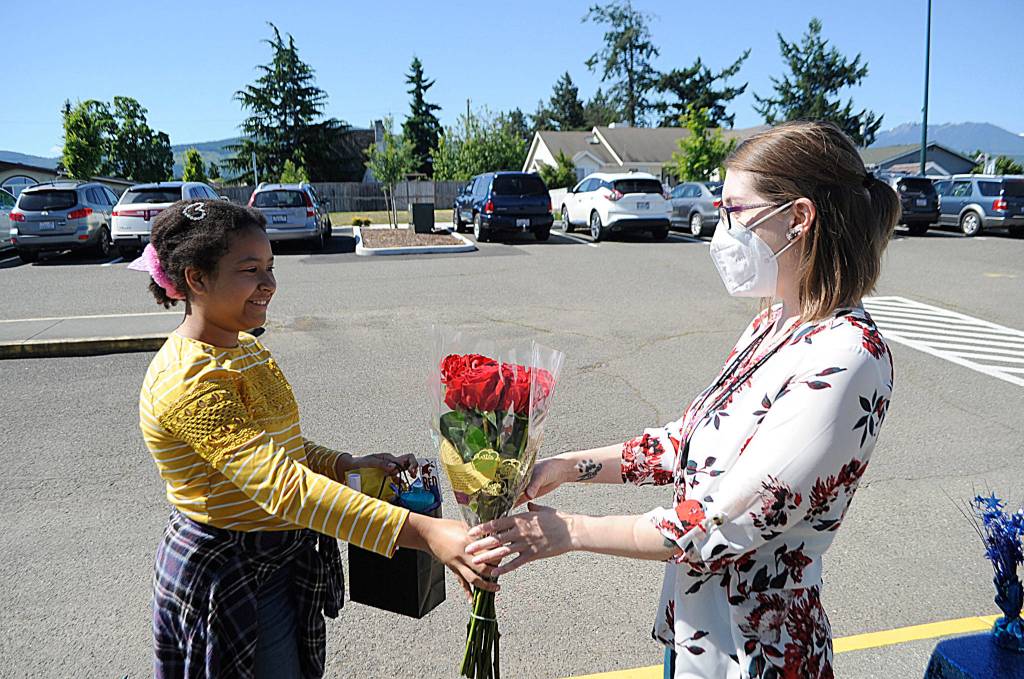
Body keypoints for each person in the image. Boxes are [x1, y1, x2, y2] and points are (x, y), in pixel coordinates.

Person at [465, 121, 899, 679]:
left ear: (799, 218)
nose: (722, 230)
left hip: (758, 652)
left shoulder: (848, 355)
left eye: (735, 211)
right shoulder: (775, 322)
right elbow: (688, 440)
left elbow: (718, 522)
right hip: (696, 635)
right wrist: (566, 467)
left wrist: (566, 532)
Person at [134, 199, 495, 678]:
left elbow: (283, 448)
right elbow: (282, 485)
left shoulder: (243, 346)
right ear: (196, 279)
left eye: (270, 267)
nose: (268, 284)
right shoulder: (188, 379)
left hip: (277, 557)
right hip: (231, 574)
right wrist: (425, 533)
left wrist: (347, 464)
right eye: (249, 270)